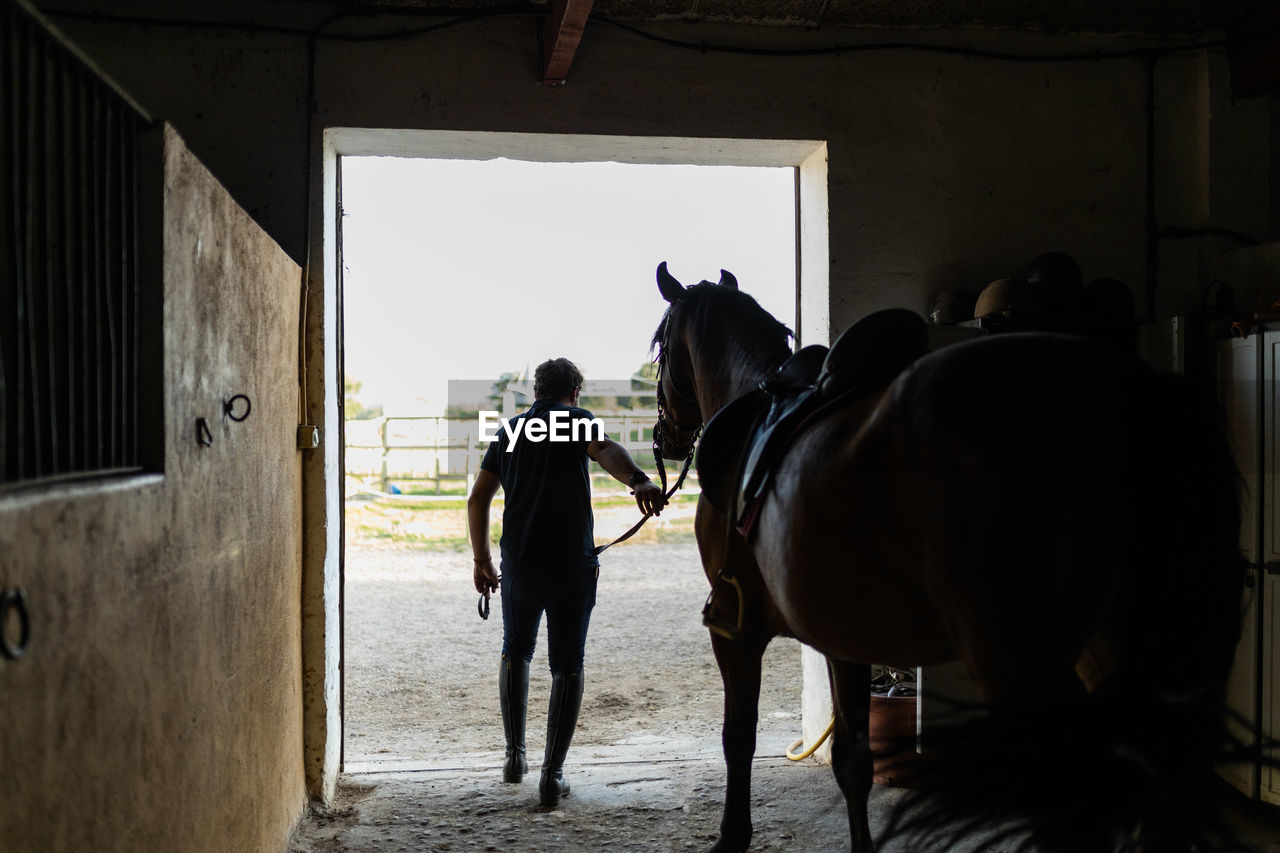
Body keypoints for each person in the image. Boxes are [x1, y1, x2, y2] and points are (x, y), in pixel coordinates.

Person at [468, 357, 667, 807]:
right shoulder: (577, 422)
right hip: (570, 565)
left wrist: (481, 559)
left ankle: (514, 757)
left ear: (536, 391)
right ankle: (551, 775)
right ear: (575, 392)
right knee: (567, 663)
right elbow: (607, 450)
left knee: (515, 649)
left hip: (519, 562)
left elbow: (478, 497)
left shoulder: (512, 431)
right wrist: (638, 481)